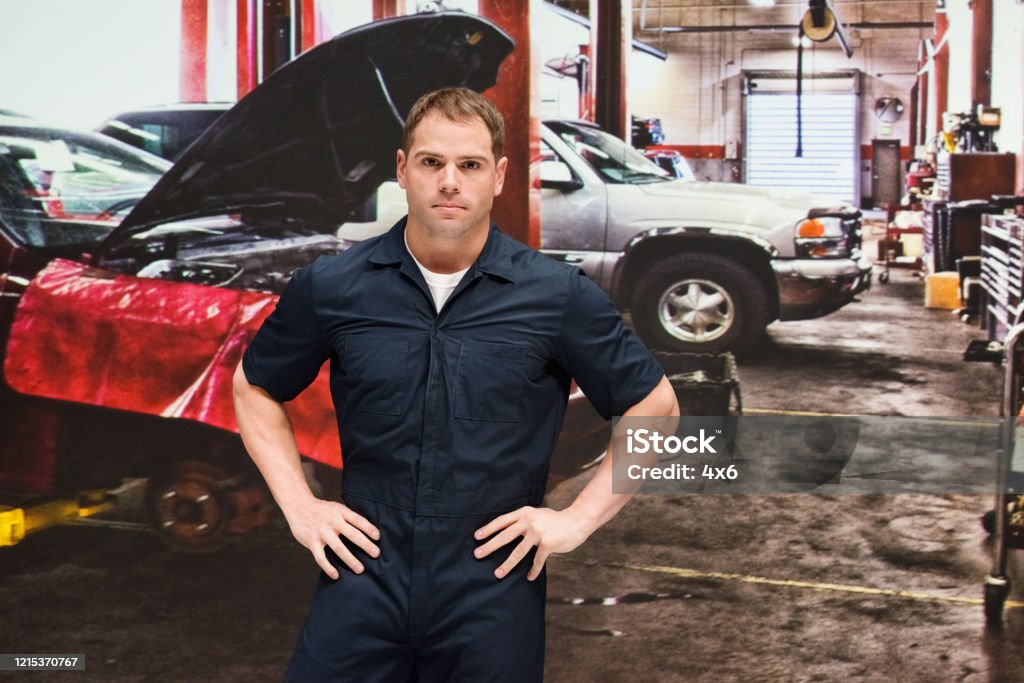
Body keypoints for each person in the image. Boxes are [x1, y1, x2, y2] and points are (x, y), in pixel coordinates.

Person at [232, 87, 679, 683]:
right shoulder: (333, 287)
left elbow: (656, 406)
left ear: (498, 176)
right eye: (431, 162)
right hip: (364, 568)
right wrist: (299, 505)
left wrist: (576, 520)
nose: (449, 182)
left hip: (492, 581)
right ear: (402, 170)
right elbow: (254, 387)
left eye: (469, 165)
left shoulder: (555, 296)